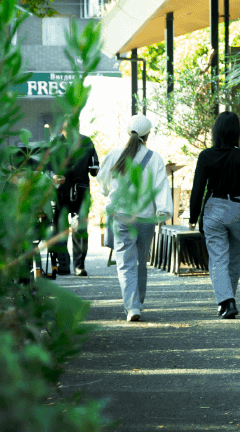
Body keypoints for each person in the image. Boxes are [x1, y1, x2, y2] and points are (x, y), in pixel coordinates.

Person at [189, 112, 240, 319]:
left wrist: (192, 216)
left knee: (218, 258)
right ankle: (227, 302)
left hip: (215, 209)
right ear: (237, 131)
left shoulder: (206, 156)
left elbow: (198, 188)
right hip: (238, 208)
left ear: (216, 131)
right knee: (235, 260)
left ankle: (227, 301)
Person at [96, 115, 171, 322]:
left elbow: (102, 184)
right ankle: (138, 302)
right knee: (140, 262)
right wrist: (163, 211)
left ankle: (132, 307)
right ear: (148, 135)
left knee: (125, 263)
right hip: (146, 218)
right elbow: (162, 186)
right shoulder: (154, 158)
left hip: (121, 217)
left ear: (127, 132)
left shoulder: (113, 155)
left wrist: (108, 194)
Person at [49, 125, 100, 276]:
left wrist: (94, 170)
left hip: (81, 191)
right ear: (62, 129)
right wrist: (53, 176)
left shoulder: (87, 142)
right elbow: (47, 166)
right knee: (60, 229)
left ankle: (79, 266)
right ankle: (63, 265)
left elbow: (95, 165)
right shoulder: (55, 143)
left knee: (80, 229)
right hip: (61, 191)